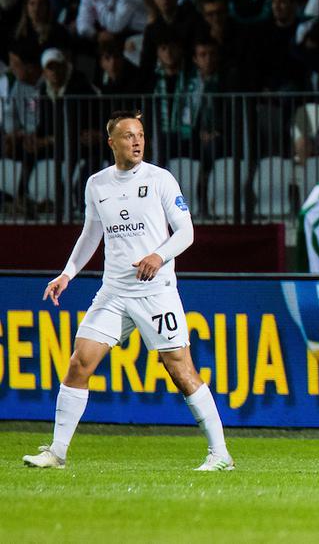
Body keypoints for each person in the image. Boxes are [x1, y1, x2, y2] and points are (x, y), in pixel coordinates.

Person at [23, 110, 234, 471]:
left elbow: (186, 232)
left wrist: (158, 255)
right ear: (112, 143)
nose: (136, 141)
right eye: (128, 136)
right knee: (79, 362)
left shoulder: (160, 179)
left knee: (181, 370)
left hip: (156, 291)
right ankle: (57, 453)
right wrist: (67, 274)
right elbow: (91, 234)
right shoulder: (97, 184)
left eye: (140, 135)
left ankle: (221, 455)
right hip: (114, 291)